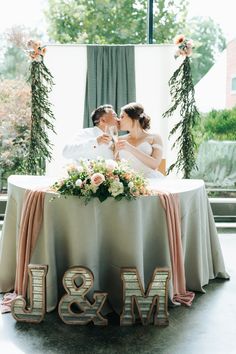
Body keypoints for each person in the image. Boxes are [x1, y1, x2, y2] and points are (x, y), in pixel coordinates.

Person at [115, 102, 164, 178]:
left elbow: (154, 165)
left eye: (122, 117)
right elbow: (116, 165)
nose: (118, 120)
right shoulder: (119, 139)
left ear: (134, 118)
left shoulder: (154, 138)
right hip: (129, 183)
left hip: (151, 180)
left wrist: (130, 148)